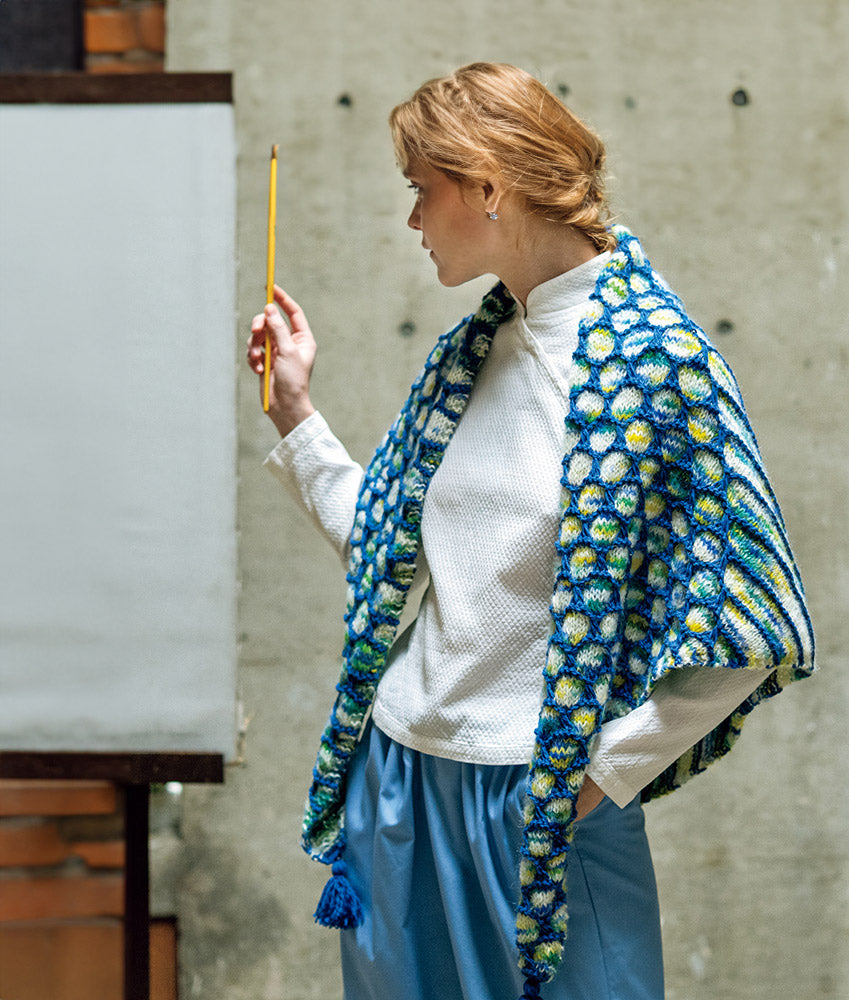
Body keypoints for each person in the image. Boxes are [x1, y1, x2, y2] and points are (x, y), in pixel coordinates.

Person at [247, 62, 814, 1000]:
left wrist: (601, 775)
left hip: (540, 799)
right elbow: (399, 559)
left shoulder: (657, 364)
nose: (413, 220)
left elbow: (752, 627)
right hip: (399, 782)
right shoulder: (472, 354)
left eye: (422, 191)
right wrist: (294, 413)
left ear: (488, 185)